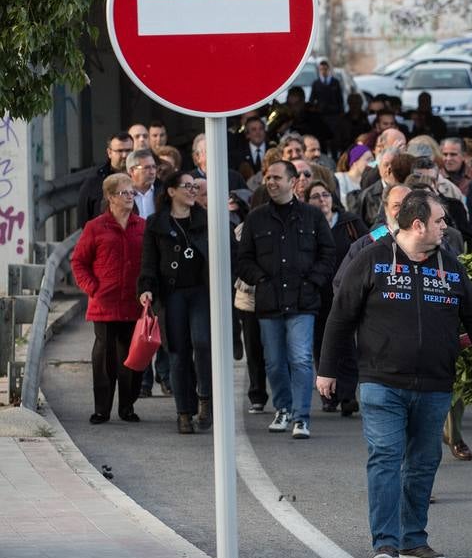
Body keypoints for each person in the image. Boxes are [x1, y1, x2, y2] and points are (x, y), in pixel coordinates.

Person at [318, 190, 472, 558]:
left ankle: (413, 539)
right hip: (381, 382)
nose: (445, 227)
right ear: (417, 225)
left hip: (435, 385)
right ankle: (384, 542)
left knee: (422, 462)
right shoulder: (370, 259)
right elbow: (340, 315)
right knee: (386, 457)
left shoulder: (450, 266)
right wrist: (327, 369)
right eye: (439, 221)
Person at [236, 160, 337, 440]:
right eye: (268, 177)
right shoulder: (255, 219)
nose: (270, 182)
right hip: (269, 302)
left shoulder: (312, 216)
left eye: (277, 177)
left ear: (293, 182)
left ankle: (301, 417)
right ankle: (283, 408)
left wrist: (313, 281)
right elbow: (243, 259)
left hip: (303, 300)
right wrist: (261, 280)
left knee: (301, 358)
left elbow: (327, 254)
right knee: (275, 362)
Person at [137, 171, 212, 434]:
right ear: (171, 191)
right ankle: (184, 411)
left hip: (201, 292)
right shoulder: (155, 223)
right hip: (172, 295)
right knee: (178, 352)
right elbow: (148, 262)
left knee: (203, 342)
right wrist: (146, 289)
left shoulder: (205, 219)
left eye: (194, 186)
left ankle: (205, 398)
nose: (192, 190)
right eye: (186, 186)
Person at [72, 174, 147, 425]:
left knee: (132, 357)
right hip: (104, 303)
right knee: (104, 357)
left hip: (134, 303)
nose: (129, 197)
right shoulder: (95, 227)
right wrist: (93, 288)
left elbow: (150, 263)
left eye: (131, 193)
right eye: (124, 193)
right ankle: (102, 409)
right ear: (110, 196)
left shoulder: (142, 226)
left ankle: (127, 406)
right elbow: (79, 262)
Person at [307, 181, 367, 414]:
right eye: (315, 196)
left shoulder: (350, 222)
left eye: (325, 195)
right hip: (318, 293)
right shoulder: (307, 222)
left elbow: (370, 243)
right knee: (322, 343)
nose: (322, 199)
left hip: (347, 291)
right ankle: (328, 396)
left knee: (348, 345)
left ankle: (348, 395)